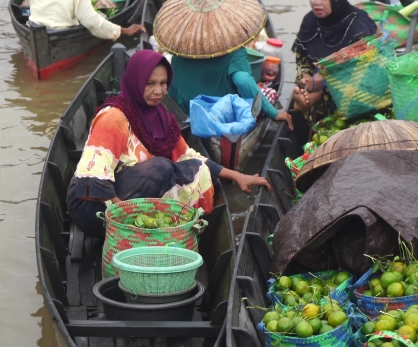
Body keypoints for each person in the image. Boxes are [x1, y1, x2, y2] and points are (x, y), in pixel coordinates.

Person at [67, 49, 272, 238]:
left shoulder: (161, 117)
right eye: (150, 83)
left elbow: (189, 156)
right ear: (136, 82)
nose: (159, 91)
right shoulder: (113, 118)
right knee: (161, 167)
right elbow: (92, 181)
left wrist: (237, 176)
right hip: (92, 206)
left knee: (198, 170)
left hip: (129, 193)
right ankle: (135, 229)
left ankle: (163, 225)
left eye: (163, 83)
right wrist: (132, 224)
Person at [291, 0, 378, 116]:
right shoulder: (310, 21)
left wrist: (325, 79)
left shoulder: (358, 24)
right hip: (314, 87)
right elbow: (302, 57)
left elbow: (363, 69)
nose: (316, 2)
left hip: (352, 94)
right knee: (298, 115)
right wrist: (305, 75)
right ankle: (307, 102)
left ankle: (313, 100)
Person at [168, 47, 294, 130]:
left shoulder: (179, 51)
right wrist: (274, 113)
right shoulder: (234, 50)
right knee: (269, 92)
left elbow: (172, 89)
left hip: (184, 112)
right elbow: (243, 81)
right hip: (221, 116)